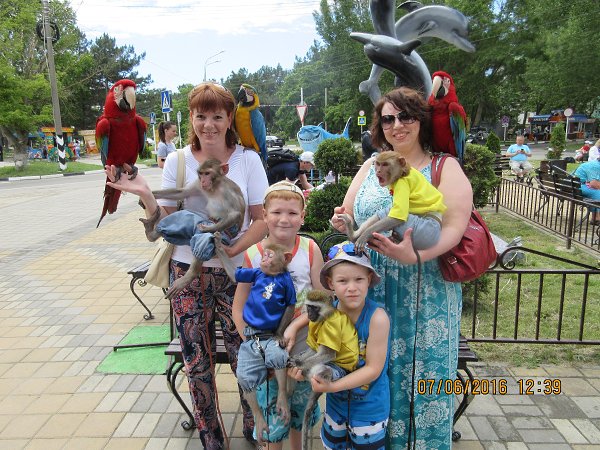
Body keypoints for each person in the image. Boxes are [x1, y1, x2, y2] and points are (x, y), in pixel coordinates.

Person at [104, 82, 269, 450]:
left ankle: (253, 426)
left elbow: (261, 220)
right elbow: (165, 222)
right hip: (187, 274)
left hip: (238, 277)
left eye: (217, 116)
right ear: (191, 118)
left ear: (230, 119)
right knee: (196, 362)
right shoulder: (179, 161)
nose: (208, 124)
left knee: (245, 356)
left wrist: (230, 248)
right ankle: (211, 439)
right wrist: (145, 194)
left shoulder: (248, 160)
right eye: (200, 116)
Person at [330, 86, 472, 448]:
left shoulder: (444, 167)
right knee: (375, 372)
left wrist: (415, 257)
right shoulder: (371, 166)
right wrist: (342, 221)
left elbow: (454, 228)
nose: (397, 125)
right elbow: (350, 214)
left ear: (421, 120)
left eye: (405, 116)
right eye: (388, 119)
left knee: (422, 377)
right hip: (372, 293)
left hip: (425, 291)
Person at [233, 181, 325, 449]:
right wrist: (255, 348)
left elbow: (321, 300)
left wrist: (295, 326)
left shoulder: (310, 250)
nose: (284, 219)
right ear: (264, 214)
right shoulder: (254, 255)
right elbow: (238, 308)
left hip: (303, 348)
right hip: (267, 352)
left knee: (299, 417)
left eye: (292, 213)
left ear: (302, 216)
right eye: (276, 212)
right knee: (273, 422)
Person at [307, 242, 390, 450]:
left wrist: (332, 387)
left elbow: (373, 369)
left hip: (369, 410)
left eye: (359, 279)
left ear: (368, 279)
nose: (352, 287)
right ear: (331, 283)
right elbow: (320, 352)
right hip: (336, 406)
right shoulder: (328, 314)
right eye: (343, 280)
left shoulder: (377, 318)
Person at [573, 159, 600, 225]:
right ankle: (596, 218)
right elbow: (594, 184)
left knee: (596, 191)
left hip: (573, 186)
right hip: (578, 187)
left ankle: (596, 217)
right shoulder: (596, 166)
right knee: (596, 192)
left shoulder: (594, 163)